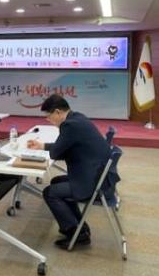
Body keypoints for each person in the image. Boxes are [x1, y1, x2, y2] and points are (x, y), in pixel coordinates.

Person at [27, 94, 110, 250]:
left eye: (48, 116)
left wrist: (49, 147)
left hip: (92, 181)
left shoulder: (69, 125)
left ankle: (75, 233)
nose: (48, 120)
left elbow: (56, 153)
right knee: (56, 181)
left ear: (57, 112)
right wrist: (42, 146)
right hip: (96, 174)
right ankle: (79, 225)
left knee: (50, 193)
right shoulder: (77, 117)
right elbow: (66, 149)